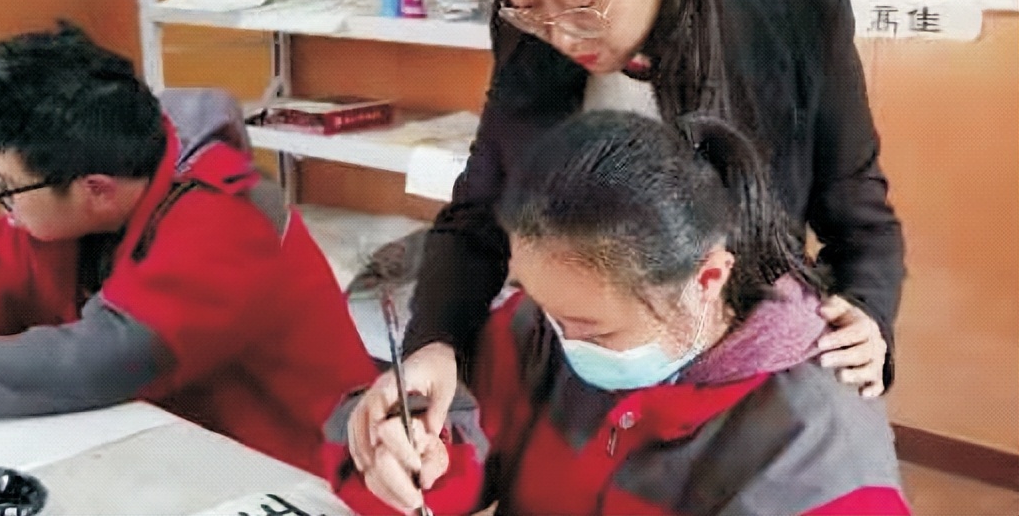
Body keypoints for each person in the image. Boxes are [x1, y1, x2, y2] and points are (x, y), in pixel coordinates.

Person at [349, 0, 906, 471]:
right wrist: (436, 341)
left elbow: (865, 228)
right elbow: (478, 215)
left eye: (582, 4)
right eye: (526, 6)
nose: (557, 33)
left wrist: (868, 313)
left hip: (735, 395)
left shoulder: (799, 31)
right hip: (574, 376)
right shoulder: (529, 39)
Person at [327, 111, 911, 515]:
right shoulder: (539, 326)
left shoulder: (816, 445)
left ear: (707, 279)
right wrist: (407, 454)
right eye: (540, 303)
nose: (560, 337)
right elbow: (465, 449)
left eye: (592, 328)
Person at [0, 23, 377, 476]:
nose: (0, 203)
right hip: (184, 443)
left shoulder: (227, 222)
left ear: (96, 190)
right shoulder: (109, 171)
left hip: (304, 467)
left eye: (7, 186)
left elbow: (99, 359)